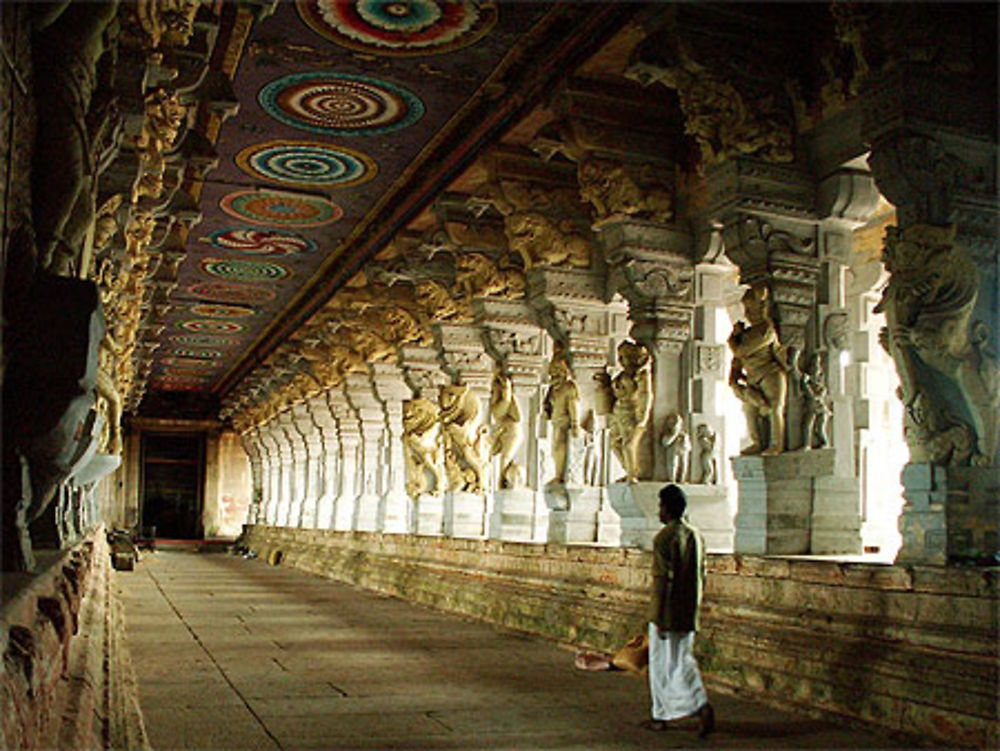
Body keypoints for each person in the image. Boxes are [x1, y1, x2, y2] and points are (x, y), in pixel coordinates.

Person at [644, 484, 714, 736]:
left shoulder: (664, 538)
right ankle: (660, 713)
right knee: (680, 660)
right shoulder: (696, 535)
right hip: (688, 608)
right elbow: (702, 574)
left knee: (665, 665)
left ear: (667, 508)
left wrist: (659, 615)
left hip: (667, 611)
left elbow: (663, 579)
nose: (658, 512)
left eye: (660, 506)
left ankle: (697, 706)